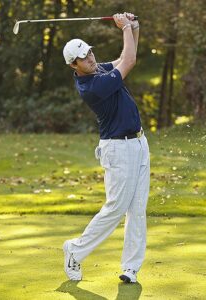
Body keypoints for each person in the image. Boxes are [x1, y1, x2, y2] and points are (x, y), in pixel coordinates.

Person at [62, 12, 150, 284]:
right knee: (116, 207)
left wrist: (133, 28)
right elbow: (131, 60)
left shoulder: (96, 68)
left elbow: (125, 57)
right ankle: (75, 250)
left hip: (138, 142)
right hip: (117, 149)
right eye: (84, 57)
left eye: (90, 52)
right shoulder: (92, 86)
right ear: (73, 65)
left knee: (137, 207)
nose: (90, 58)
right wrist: (123, 27)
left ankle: (131, 267)